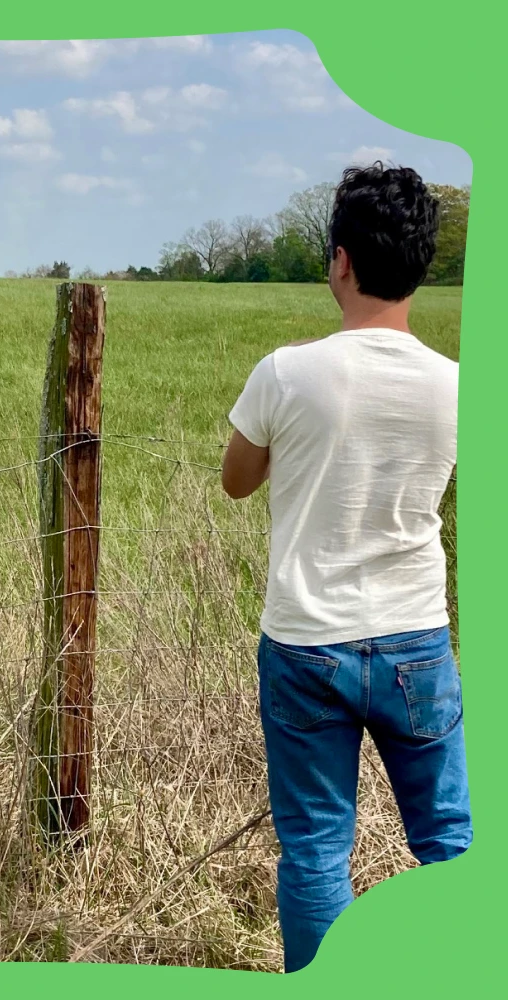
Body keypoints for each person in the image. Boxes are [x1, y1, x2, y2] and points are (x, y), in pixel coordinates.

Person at [221, 162, 471, 973]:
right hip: (416, 639)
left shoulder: (285, 372)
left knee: (316, 853)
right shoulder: (458, 387)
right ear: (422, 264)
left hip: (305, 643)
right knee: (450, 844)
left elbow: (235, 480)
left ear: (340, 260)